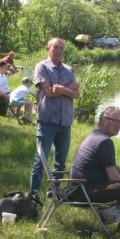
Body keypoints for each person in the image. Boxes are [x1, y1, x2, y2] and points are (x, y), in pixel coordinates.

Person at [68, 106, 120, 232]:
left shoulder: (94, 135)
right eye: (114, 121)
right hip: (83, 193)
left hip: (75, 190)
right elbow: (113, 177)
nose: (118, 125)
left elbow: (112, 167)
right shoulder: (105, 142)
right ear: (104, 120)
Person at [29, 37, 80, 197]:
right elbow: (49, 92)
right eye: (55, 47)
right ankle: (33, 194)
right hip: (47, 121)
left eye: (61, 48)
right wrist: (68, 89)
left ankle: (54, 191)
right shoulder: (41, 67)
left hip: (65, 121)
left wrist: (63, 90)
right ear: (48, 49)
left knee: (60, 161)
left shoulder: (68, 70)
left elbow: (77, 94)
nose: (58, 50)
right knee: (40, 160)